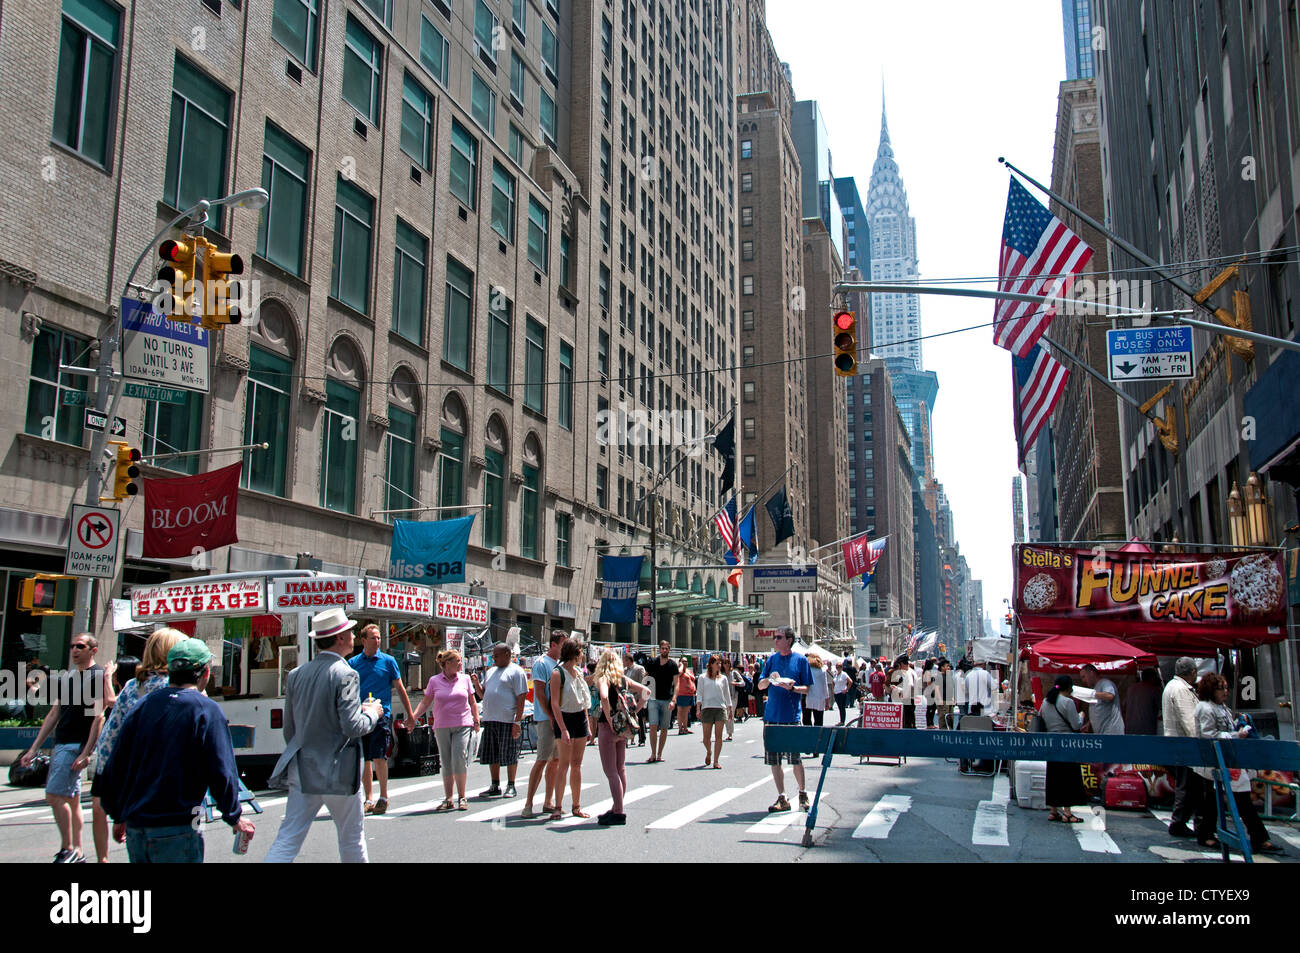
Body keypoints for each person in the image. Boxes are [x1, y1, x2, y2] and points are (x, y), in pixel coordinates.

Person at [97, 638, 254, 863]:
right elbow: (221, 769)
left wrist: (118, 813)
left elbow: (115, 764)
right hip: (179, 823)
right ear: (205, 673)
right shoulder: (205, 709)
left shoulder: (143, 705)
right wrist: (234, 816)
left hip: (137, 825)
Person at [265, 608, 383, 862]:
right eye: (350, 632)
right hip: (339, 769)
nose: (353, 635)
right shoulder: (346, 674)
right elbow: (352, 726)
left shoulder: (296, 675)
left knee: (288, 837)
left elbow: (290, 729)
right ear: (340, 638)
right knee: (351, 838)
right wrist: (372, 713)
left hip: (304, 768)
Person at [91, 629, 186, 862]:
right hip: (174, 799)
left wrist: (117, 808)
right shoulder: (184, 688)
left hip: (135, 799)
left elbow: (107, 744)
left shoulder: (132, 687)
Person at [19, 633, 111, 863]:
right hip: (62, 742)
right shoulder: (69, 677)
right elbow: (54, 713)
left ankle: (68, 848)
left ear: (93, 650)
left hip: (74, 745)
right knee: (71, 800)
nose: (74, 650)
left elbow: (98, 717)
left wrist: (86, 752)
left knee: (53, 795)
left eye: (80, 646)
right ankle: (77, 851)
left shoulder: (96, 676)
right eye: (72, 646)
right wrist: (33, 748)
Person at [1193, 673, 1283, 854]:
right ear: (1211, 689)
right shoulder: (1205, 708)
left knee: (1237, 801)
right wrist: (1236, 735)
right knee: (1215, 801)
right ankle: (1208, 835)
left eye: (1226, 687)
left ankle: (1258, 837)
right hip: (1213, 763)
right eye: (1221, 688)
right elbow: (1207, 735)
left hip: (1229, 761)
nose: (1226, 691)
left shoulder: (1222, 708)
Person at [348, 623, 415, 815]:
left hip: (380, 716)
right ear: (363, 641)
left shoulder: (388, 661)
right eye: (373, 638)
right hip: (360, 716)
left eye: (378, 638)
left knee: (379, 756)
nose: (377, 641)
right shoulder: (353, 663)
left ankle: (383, 796)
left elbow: (400, 688)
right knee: (365, 758)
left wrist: (410, 715)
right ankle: (368, 798)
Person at [410, 648, 479, 812]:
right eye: (457, 661)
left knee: (459, 758)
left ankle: (462, 796)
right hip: (442, 724)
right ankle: (449, 798)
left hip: (462, 723)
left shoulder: (465, 679)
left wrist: (476, 720)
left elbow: (473, 701)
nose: (460, 664)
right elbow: (426, 702)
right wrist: (413, 716)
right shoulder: (434, 681)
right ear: (447, 663)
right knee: (446, 761)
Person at [594, 649, 652, 825]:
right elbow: (646, 691)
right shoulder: (623, 679)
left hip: (608, 725)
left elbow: (604, 696)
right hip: (623, 727)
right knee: (620, 768)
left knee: (610, 771)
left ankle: (618, 811)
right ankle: (616, 806)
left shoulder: (603, 678)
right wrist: (634, 712)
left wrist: (609, 716)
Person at [759, 627, 813, 812]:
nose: (775, 640)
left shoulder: (800, 660)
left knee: (795, 758)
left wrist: (793, 688)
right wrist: (768, 680)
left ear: (789, 640)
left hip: (791, 716)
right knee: (774, 759)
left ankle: (802, 793)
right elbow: (760, 685)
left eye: (779, 637)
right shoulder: (771, 660)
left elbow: (807, 688)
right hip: (772, 716)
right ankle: (782, 797)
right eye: (775, 637)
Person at [1163, 657, 1211, 839]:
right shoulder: (1181, 690)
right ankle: (1179, 823)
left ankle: (1183, 822)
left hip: (1179, 743)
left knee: (1190, 786)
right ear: (1193, 673)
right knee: (1188, 785)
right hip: (1185, 745)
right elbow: (1189, 721)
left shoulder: (1173, 687)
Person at [522, 630, 566, 818]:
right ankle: (528, 803)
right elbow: (539, 693)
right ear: (554, 644)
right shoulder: (541, 663)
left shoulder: (560, 664)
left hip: (560, 718)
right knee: (542, 759)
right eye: (563, 645)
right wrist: (549, 715)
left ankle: (549, 801)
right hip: (546, 718)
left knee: (556, 760)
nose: (564, 649)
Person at [477, 643, 529, 798]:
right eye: (493, 655)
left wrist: (517, 721)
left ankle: (511, 785)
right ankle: (495, 784)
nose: (494, 658)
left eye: (497, 655)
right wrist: (475, 684)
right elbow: (482, 694)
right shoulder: (490, 671)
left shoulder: (516, 672)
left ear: (507, 654)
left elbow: (521, 697)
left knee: (510, 753)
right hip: (490, 718)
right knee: (492, 753)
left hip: (507, 719)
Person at [550, 637, 593, 819]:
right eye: (581, 652)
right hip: (564, 718)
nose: (582, 656)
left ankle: (576, 806)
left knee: (577, 765)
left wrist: (588, 725)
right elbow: (554, 703)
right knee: (563, 765)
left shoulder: (578, 673)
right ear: (574, 653)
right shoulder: (557, 673)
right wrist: (563, 728)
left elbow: (583, 701)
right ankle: (558, 806)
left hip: (579, 718)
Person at [1037, 675, 1087, 823]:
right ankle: (1067, 812)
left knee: (1053, 777)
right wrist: (1082, 716)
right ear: (1069, 688)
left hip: (1051, 743)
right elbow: (1076, 725)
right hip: (1067, 744)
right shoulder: (1068, 702)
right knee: (1068, 777)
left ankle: (1053, 811)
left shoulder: (1046, 702)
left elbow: (1041, 718)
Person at [643, 641, 680, 762]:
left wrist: (674, 700)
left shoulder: (673, 665)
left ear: (669, 650)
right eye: (662, 648)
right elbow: (645, 677)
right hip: (653, 698)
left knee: (664, 727)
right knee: (653, 726)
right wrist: (644, 695)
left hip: (667, 699)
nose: (664, 650)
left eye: (666, 649)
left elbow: (676, 684)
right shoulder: (652, 662)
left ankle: (659, 754)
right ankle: (653, 753)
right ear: (659, 649)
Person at [696, 655, 731, 767]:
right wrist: (698, 708)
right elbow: (699, 694)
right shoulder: (702, 677)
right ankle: (709, 751)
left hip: (720, 708)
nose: (719, 665)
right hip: (707, 708)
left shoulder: (723, 678)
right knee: (706, 738)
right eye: (717, 663)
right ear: (711, 664)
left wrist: (729, 707)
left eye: (720, 663)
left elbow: (727, 694)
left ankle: (716, 761)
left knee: (718, 736)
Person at [1079, 663, 1124, 735]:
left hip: (1111, 731)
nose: (1083, 680)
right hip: (1101, 732)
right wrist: (1089, 723)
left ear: (1091, 673)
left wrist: (1090, 694)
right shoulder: (1095, 688)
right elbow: (1098, 708)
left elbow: (1110, 696)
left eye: (1084, 677)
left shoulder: (1105, 683)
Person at [1124, 668, 1162, 735]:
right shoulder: (1154, 690)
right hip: (1147, 729)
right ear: (1152, 677)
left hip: (1130, 728)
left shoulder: (1130, 688)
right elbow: (1163, 708)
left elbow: (1124, 707)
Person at [624, 651, 649, 746]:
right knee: (628, 718)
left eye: (624, 660)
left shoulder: (639, 668)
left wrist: (640, 697)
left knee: (638, 718)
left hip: (637, 697)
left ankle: (642, 738)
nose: (623, 662)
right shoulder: (625, 670)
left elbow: (643, 683)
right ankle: (627, 738)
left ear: (628, 660)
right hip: (627, 697)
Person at [803, 654, 831, 726]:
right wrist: (827, 701)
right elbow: (825, 687)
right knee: (818, 720)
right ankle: (818, 735)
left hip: (807, 696)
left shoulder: (806, 669)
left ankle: (808, 734)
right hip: (819, 698)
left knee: (806, 719)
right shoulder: (822, 670)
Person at [890, 656, 916, 728]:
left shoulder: (908, 672)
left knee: (907, 722)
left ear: (901, 664)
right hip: (911, 698)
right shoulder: (911, 671)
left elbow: (910, 685)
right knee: (910, 720)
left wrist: (898, 689)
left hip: (909, 699)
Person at [675, 655, 697, 734]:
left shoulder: (689, 671)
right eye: (683, 661)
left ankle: (685, 728)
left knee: (686, 712)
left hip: (690, 694)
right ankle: (680, 728)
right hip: (681, 694)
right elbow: (678, 674)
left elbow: (693, 680)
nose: (685, 663)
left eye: (686, 661)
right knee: (680, 711)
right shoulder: (679, 671)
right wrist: (681, 666)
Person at [932, 659, 955, 731]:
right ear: (942, 667)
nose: (949, 667)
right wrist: (940, 699)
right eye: (947, 666)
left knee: (950, 718)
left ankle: (950, 731)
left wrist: (953, 697)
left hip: (949, 700)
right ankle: (943, 731)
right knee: (943, 717)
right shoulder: (939, 676)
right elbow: (937, 688)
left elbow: (951, 687)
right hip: (943, 700)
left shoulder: (948, 676)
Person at [725, 657, 746, 736]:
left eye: (728, 663)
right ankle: (728, 730)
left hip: (733, 696)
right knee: (725, 714)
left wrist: (736, 683)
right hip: (723, 697)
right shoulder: (721, 674)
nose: (726, 665)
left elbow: (743, 683)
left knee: (730, 713)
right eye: (725, 663)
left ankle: (730, 733)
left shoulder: (734, 673)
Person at [921, 659, 937, 728]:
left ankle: (931, 723)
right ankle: (929, 724)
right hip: (929, 692)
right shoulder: (927, 673)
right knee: (931, 707)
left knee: (932, 707)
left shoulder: (925, 672)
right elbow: (928, 683)